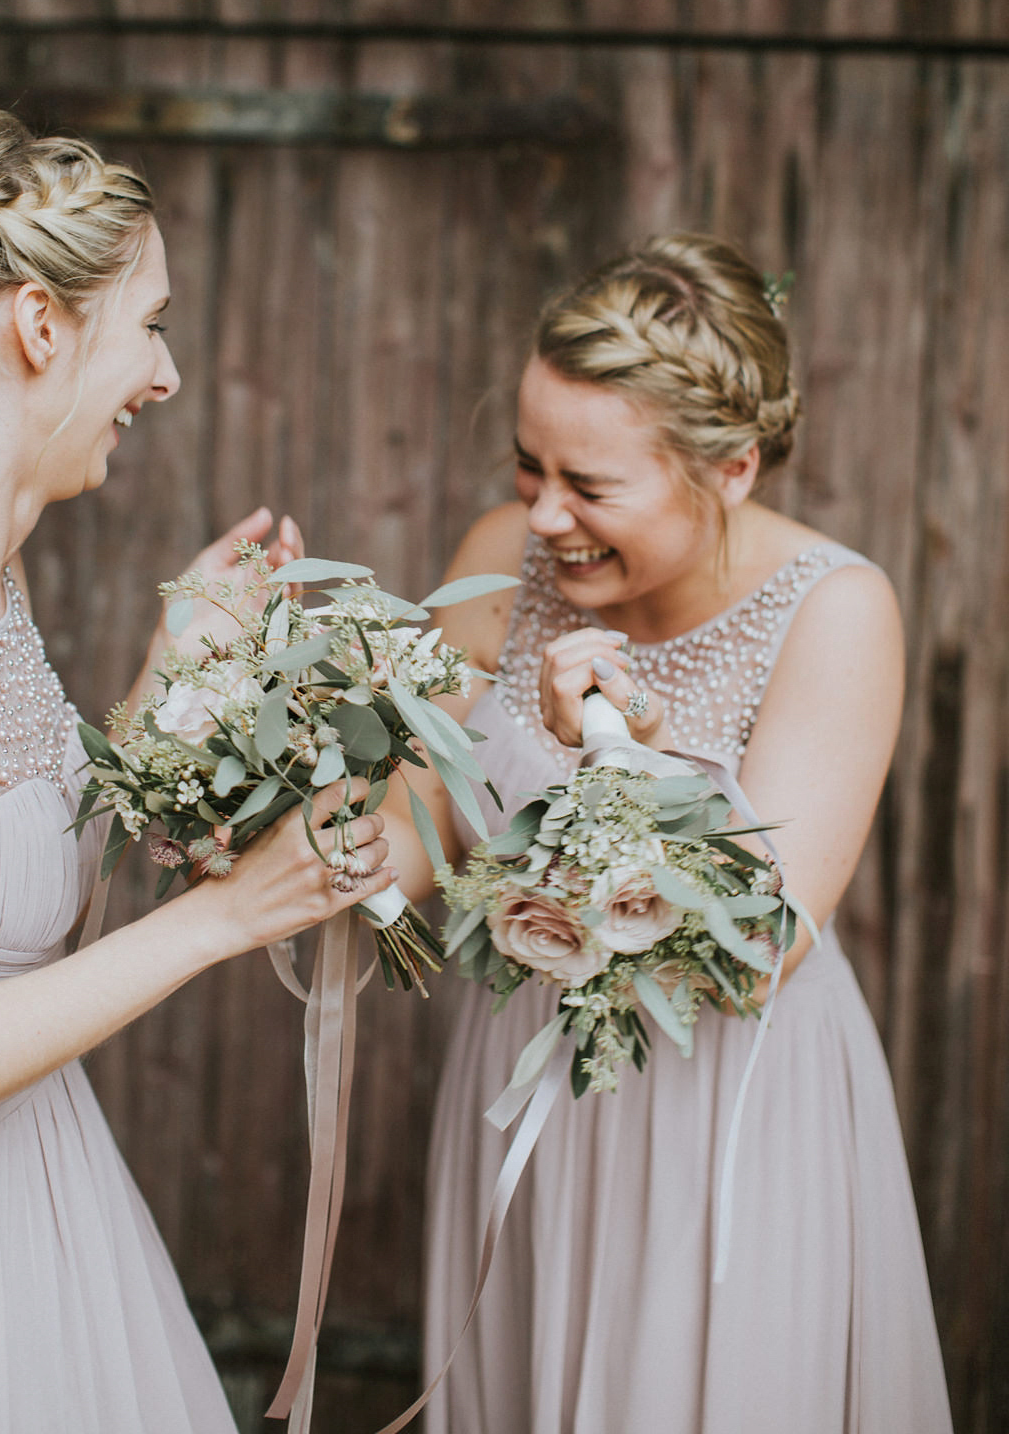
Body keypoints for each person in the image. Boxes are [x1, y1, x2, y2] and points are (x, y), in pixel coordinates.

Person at [0, 109, 395, 1434]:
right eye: (151, 323)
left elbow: (11, 928)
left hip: (31, 1186)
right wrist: (228, 915)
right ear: (37, 325)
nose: (167, 374)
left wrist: (173, 675)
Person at [383, 234, 952, 1433]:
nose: (544, 515)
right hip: (527, 1076)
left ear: (734, 466)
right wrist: (287, 735)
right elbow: (407, 846)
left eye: (590, 487)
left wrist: (621, 751)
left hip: (722, 1101)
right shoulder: (502, 561)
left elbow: (760, 942)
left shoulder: (835, 611)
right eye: (528, 467)